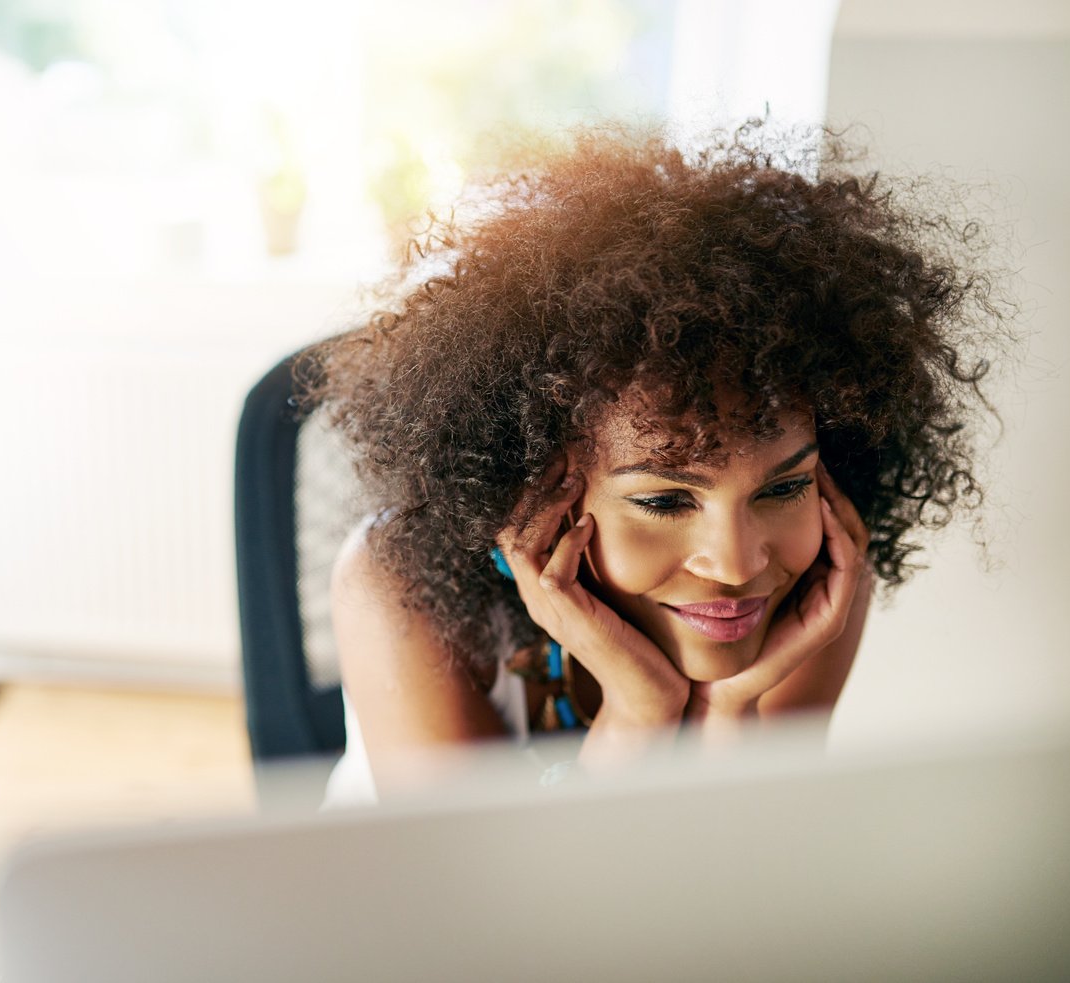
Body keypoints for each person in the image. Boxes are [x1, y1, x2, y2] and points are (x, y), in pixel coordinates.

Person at [299, 122, 1007, 803]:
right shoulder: (394, 585)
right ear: (543, 487)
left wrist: (732, 712)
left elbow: (737, 885)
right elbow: (503, 916)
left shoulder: (821, 576)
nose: (734, 565)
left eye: (784, 486)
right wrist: (639, 712)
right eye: (667, 501)